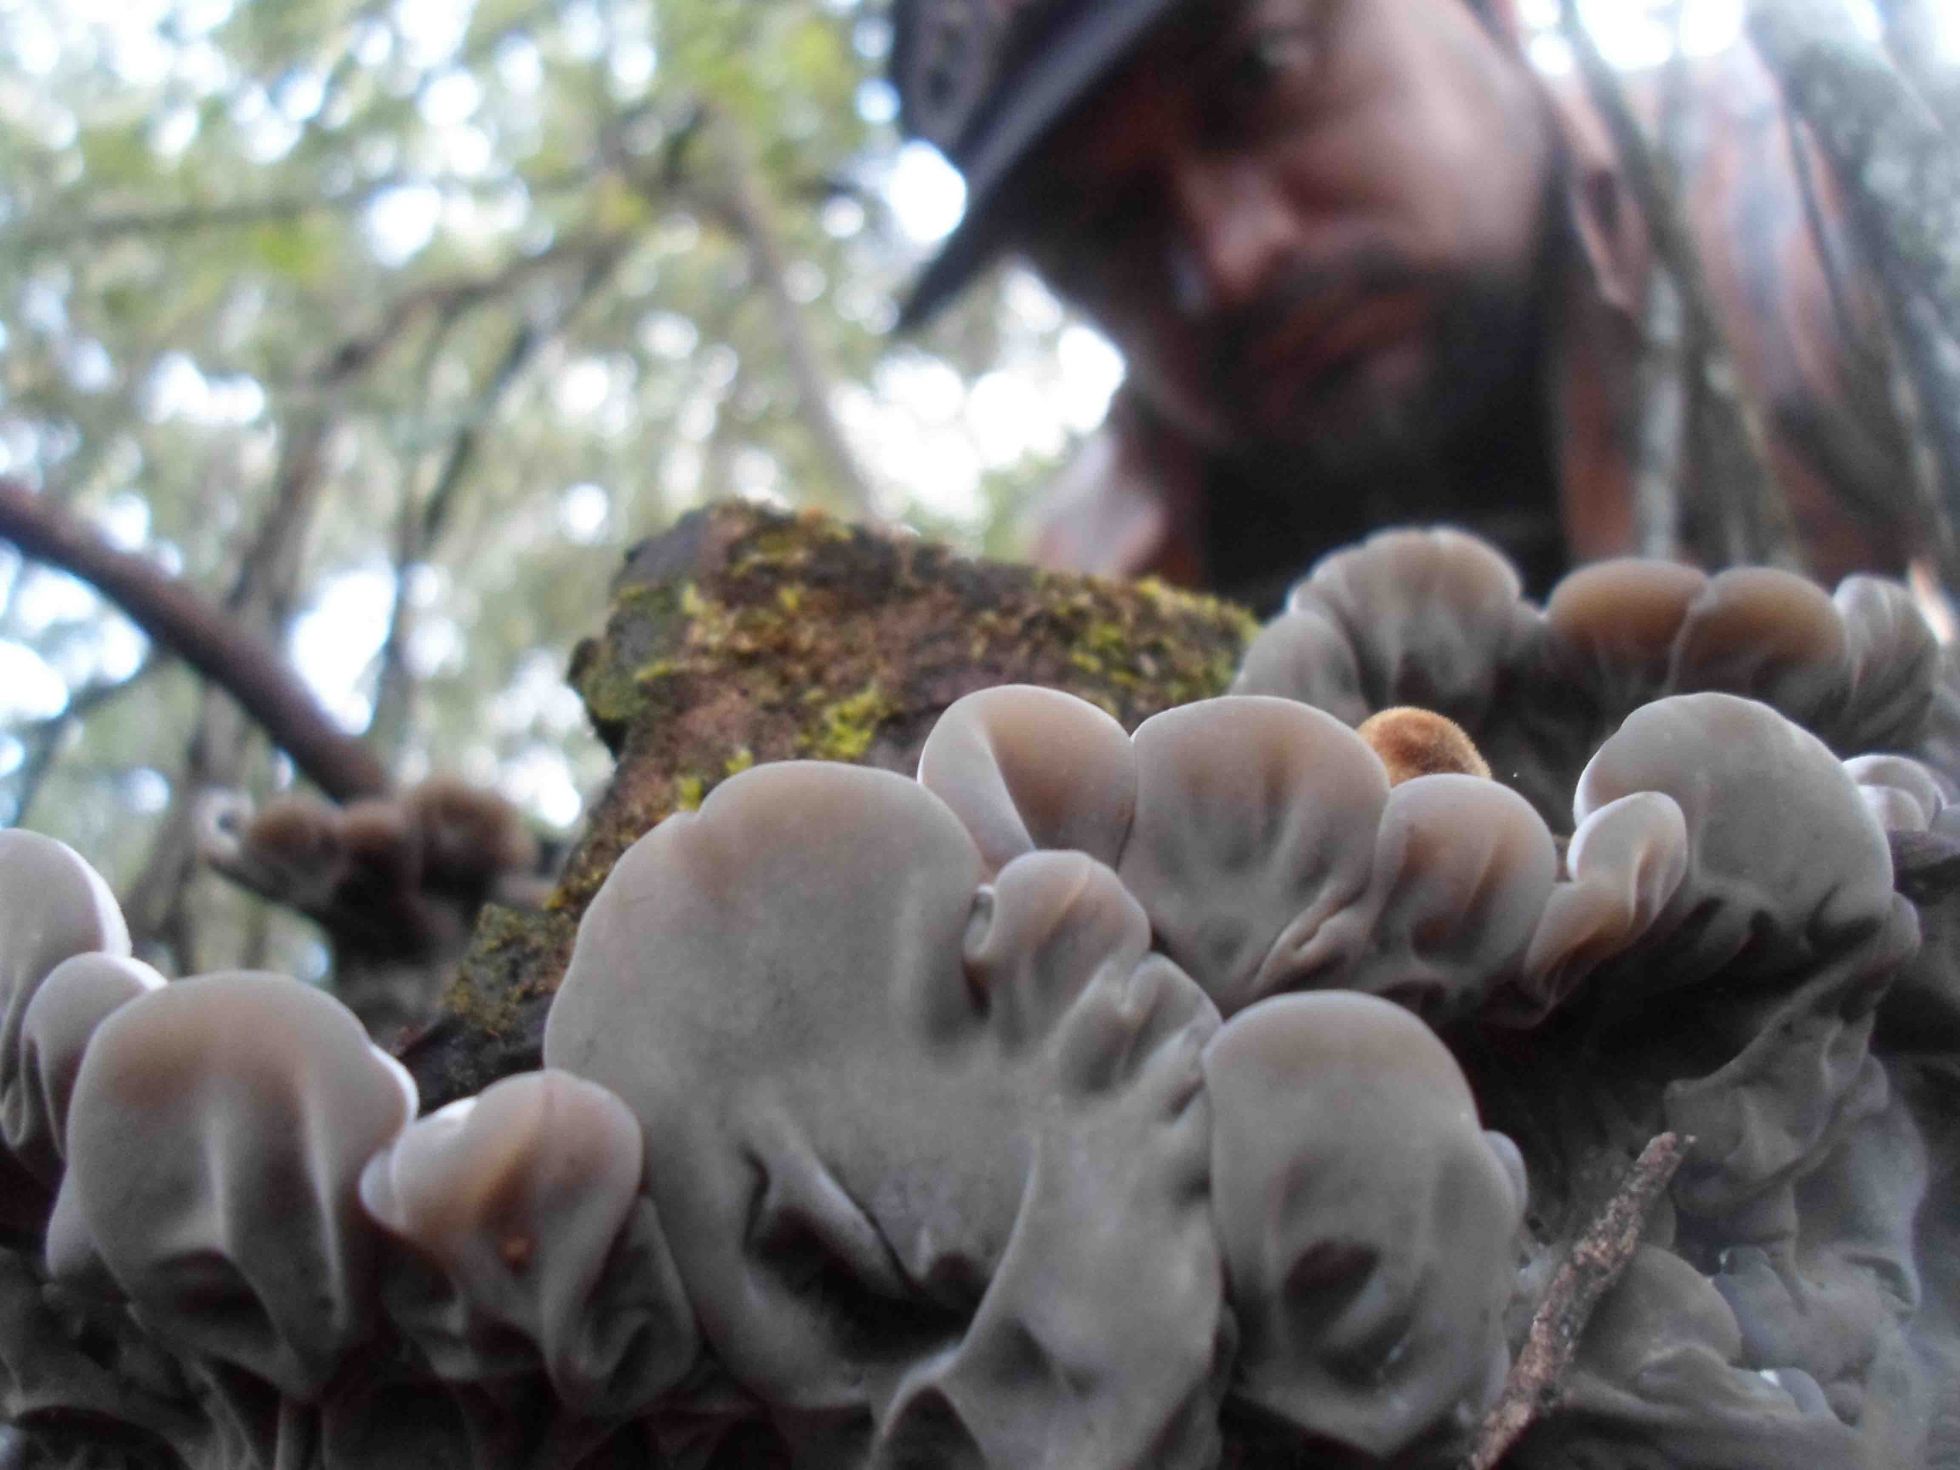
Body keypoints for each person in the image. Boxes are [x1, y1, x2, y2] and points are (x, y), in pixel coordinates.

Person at [890, 0, 1928, 611]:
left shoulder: (1834, 210)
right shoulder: (1093, 579)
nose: (1230, 260)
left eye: (1258, 73)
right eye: (1100, 230)